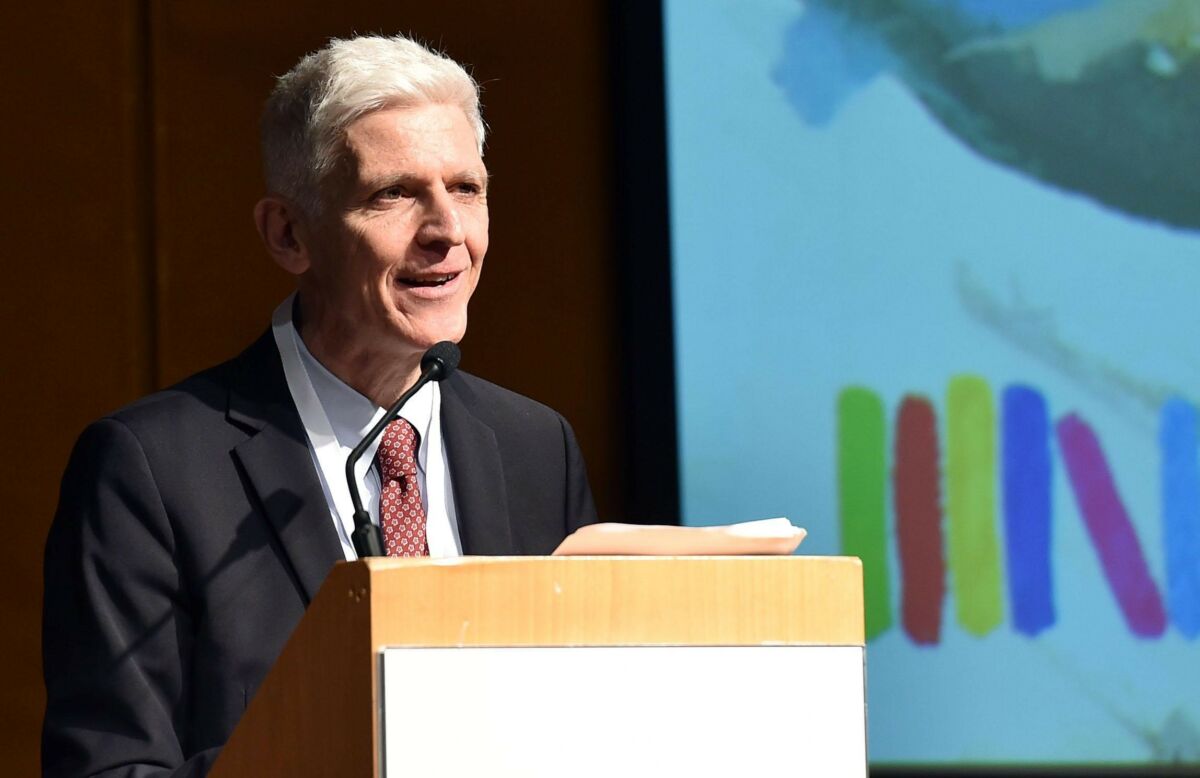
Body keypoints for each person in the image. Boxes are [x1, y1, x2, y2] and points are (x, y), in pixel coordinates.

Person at [42, 34, 598, 777]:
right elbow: (110, 767)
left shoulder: (535, 446)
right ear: (289, 233)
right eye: (393, 194)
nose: (447, 234)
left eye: (466, 189)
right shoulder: (150, 470)